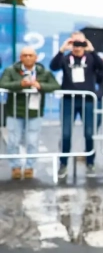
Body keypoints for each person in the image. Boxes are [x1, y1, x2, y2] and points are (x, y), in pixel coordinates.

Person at [50, 31, 103, 178]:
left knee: (89, 133)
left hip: (87, 100)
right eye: (75, 43)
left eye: (80, 43)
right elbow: (53, 66)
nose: (77, 46)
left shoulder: (91, 58)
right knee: (66, 133)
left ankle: (90, 163)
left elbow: (102, 67)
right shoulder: (66, 59)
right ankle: (63, 164)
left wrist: (92, 50)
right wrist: (62, 49)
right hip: (69, 100)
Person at [0, 46, 60, 179]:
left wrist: (41, 86)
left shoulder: (43, 72)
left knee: (32, 141)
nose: (27, 58)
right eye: (25, 55)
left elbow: (56, 85)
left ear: (36, 58)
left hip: (34, 112)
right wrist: (20, 84)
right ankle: (15, 166)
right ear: (20, 58)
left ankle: (30, 166)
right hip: (14, 111)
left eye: (30, 55)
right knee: (13, 141)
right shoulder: (11, 70)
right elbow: (3, 84)